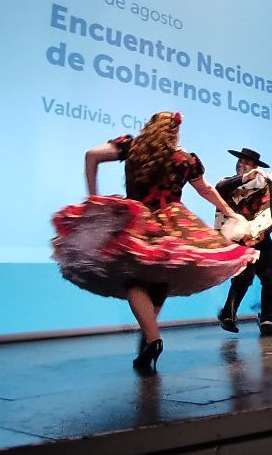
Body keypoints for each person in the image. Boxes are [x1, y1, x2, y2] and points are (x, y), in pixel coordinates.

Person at [51, 111, 255, 374]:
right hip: (173, 221)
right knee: (157, 282)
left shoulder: (132, 147)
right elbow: (205, 189)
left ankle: (151, 338)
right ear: (175, 132)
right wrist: (230, 211)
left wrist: (93, 197)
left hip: (136, 219)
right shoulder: (184, 159)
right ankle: (149, 338)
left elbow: (91, 155)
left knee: (135, 280)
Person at [216, 147, 272, 337]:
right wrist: (245, 179)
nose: (241, 164)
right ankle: (228, 314)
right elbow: (219, 188)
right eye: (240, 162)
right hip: (239, 238)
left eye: (246, 163)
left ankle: (267, 320)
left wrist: (270, 180)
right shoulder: (228, 184)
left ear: (255, 167)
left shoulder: (265, 188)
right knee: (244, 276)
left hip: (261, 237)